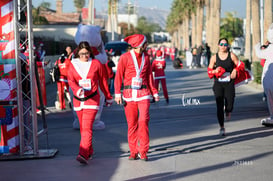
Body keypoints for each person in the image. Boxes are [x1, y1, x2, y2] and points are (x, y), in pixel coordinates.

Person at [114, 34, 159, 161]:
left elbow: (150, 75)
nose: (147, 45)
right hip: (128, 94)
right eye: (145, 43)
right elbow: (118, 76)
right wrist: (117, 93)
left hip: (143, 93)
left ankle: (143, 151)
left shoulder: (146, 57)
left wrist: (154, 92)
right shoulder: (125, 57)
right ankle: (133, 151)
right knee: (132, 124)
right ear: (140, 44)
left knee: (143, 120)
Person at [68, 41, 113, 164]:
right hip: (78, 101)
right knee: (83, 129)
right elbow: (71, 81)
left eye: (87, 53)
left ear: (90, 53)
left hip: (92, 100)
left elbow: (103, 81)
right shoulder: (73, 65)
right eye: (82, 53)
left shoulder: (96, 63)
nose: (84, 56)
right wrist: (77, 90)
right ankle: (90, 151)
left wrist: (108, 97)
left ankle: (82, 154)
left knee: (87, 128)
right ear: (78, 54)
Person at [207, 38, 244, 136]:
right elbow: (209, 71)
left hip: (229, 83)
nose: (223, 46)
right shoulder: (214, 57)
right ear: (218, 45)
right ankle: (222, 127)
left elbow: (240, 65)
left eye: (225, 44)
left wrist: (235, 70)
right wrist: (215, 71)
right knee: (219, 106)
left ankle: (228, 110)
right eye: (221, 44)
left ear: (227, 46)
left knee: (230, 104)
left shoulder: (231, 55)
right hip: (218, 83)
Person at [255, 23, 273, 126]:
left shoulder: (270, 48)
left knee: (270, 99)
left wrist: (257, 46)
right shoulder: (270, 48)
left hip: (268, 81)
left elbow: (259, 54)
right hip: (268, 80)